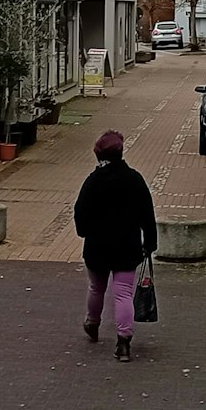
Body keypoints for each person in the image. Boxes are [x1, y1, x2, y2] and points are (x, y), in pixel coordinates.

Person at [72, 130, 157, 362]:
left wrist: (84, 232)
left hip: (97, 247)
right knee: (123, 294)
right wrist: (150, 242)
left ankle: (92, 323)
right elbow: (147, 214)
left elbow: (80, 212)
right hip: (127, 247)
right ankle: (123, 341)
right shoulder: (134, 179)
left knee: (96, 288)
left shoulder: (92, 181)